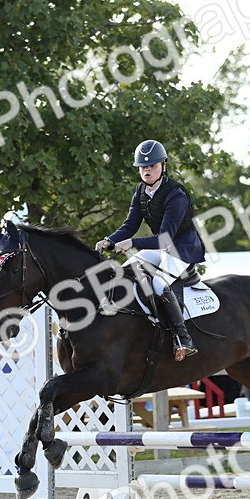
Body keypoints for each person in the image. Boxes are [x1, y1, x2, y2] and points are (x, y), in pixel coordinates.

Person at [94, 139, 206, 362]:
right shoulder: (141, 191)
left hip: (183, 250)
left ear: (163, 165)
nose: (147, 170)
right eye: (143, 167)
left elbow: (164, 239)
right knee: (126, 269)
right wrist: (109, 240)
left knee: (158, 283)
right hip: (162, 247)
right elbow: (129, 225)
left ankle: (183, 340)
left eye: (152, 165)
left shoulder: (176, 194)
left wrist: (131, 243)